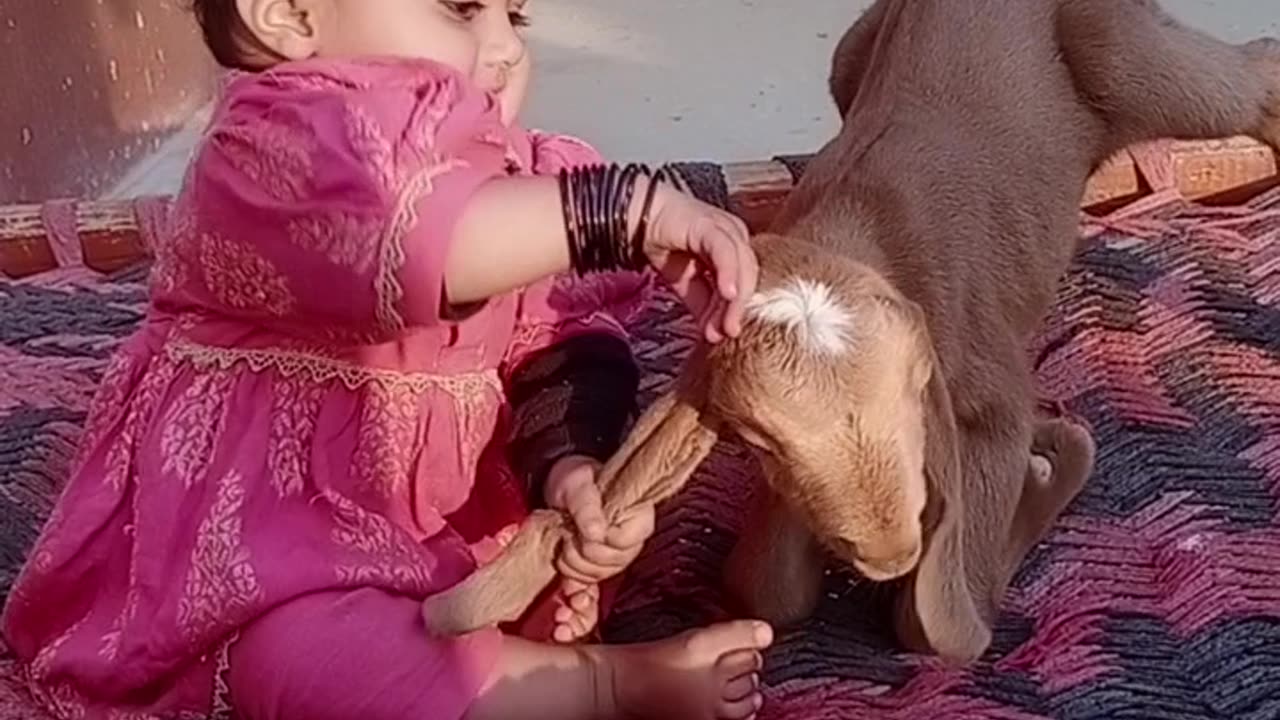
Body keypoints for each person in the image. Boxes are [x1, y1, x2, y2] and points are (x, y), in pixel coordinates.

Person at [1, 1, 773, 719]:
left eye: (518, 15)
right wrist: (624, 210)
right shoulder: (272, 147)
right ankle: (606, 685)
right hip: (260, 561)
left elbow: (551, 338)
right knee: (309, 658)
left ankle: (513, 652)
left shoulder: (524, 178)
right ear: (290, 13)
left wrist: (570, 474)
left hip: (441, 538)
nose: (503, 49)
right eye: (461, 7)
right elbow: (424, 238)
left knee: (566, 569)